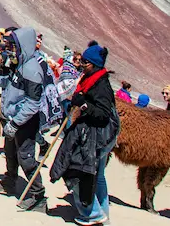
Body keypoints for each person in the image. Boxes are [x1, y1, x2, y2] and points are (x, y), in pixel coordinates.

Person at [50, 42, 120, 226]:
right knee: (99, 175)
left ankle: (93, 214)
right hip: (93, 135)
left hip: (96, 137)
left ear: (95, 65)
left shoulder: (101, 86)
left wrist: (84, 105)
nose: (81, 65)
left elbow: (103, 114)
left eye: (85, 63)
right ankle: (103, 215)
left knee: (79, 171)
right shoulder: (91, 79)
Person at [0, 27, 49, 212]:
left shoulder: (32, 70)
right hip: (13, 117)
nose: (10, 48)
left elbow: (33, 103)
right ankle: (10, 181)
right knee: (10, 152)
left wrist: (15, 123)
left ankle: (38, 196)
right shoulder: (18, 64)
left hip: (25, 122)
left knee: (26, 158)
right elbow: (12, 84)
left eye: (13, 45)